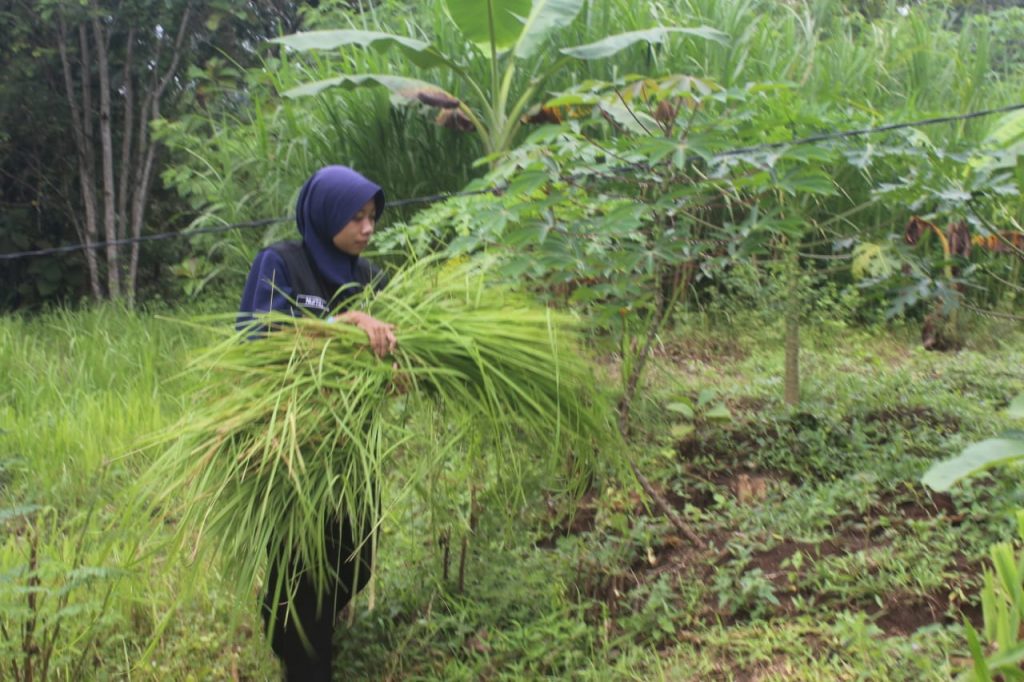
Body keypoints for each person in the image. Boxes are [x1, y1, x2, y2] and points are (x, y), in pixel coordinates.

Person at [237, 165, 396, 681]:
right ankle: (303, 658)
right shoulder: (282, 263)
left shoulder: (370, 279)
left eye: (372, 217)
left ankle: (291, 627)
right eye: (356, 217)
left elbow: (391, 351)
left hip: (351, 446)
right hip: (291, 444)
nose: (367, 228)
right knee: (304, 568)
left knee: (355, 561)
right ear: (326, 214)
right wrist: (338, 326)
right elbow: (256, 344)